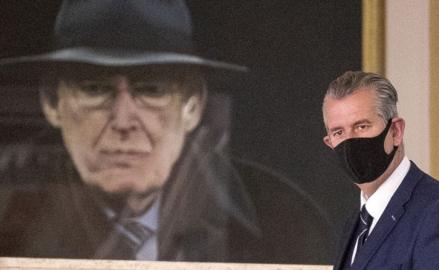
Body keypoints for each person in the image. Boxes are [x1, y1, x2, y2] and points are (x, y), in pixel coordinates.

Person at [0, 0, 335, 264]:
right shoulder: (9, 212)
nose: (123, 121)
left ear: (192, 104)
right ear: (51, 102)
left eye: (152, 89)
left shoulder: (282, 221)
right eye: (93, 89)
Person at [321, 70, 439, 269]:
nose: (350, 141)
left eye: (362, 126)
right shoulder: (356, 223)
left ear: (396, 131)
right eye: (338, 132)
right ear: (329, 143)